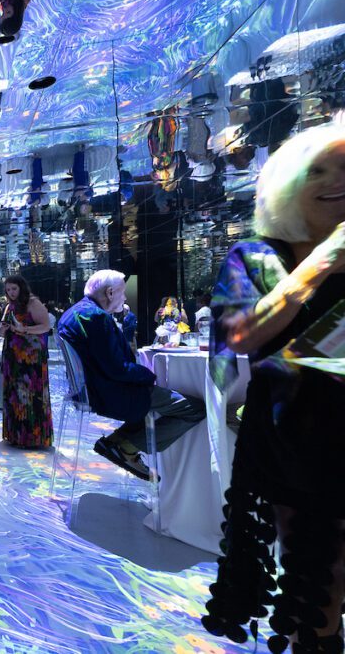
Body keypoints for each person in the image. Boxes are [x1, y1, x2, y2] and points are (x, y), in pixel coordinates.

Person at [201, 125, 345, 652]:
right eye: (319, 171)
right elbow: (237, 333)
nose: (336, 183)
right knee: (317, 580)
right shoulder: (257, 257)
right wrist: (324, 261)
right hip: (297, 441)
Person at [57, 270, 205, 480]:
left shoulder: (74, 313)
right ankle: (126, 446)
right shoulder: (96, 317)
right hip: (109, 393)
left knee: (154, 404)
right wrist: (149, 375)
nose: (125, 298)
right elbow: (117, 369)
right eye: (123, 292)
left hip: (90, 390)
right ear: (110, 292)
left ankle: (118, 442)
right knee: (197, 409)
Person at [0, 275, 53, 449]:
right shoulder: (9, 307)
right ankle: (17, 436)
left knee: (31, 396)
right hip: (13, 358)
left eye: (14, 289)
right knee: (15, 396)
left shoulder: (33, 303)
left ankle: (33, 438)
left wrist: (25, 329)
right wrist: (3, 329)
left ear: (21, 287)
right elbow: (1, 332)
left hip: (31, 360)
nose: (11, 293)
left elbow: (46, 326)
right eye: (8, 290)